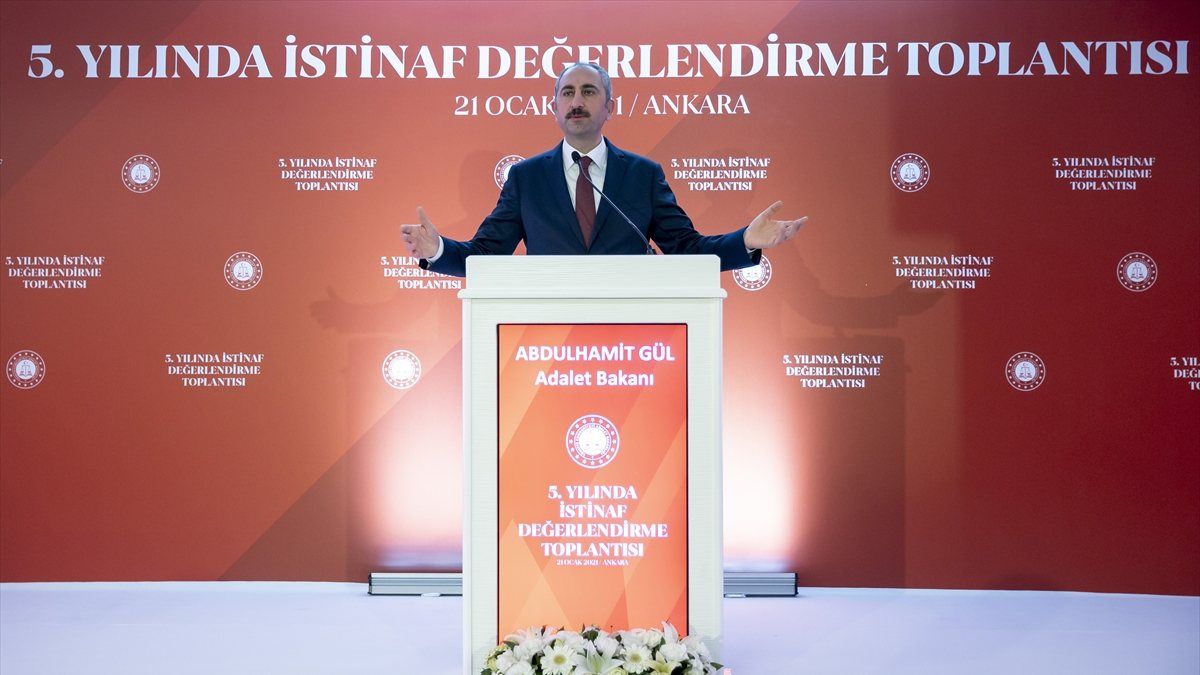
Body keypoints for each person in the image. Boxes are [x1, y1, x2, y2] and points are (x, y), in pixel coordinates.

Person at [402, 63, 807, 277]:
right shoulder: (526, 179)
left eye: (589, 91)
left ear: (609, 107)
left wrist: (745, 241)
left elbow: (687, 250)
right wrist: (438, 250)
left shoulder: (643, 175)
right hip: (544, 336)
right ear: (555, 108)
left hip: (629, 338)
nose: (577, 101)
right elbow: (485, 256)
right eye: (568, 93)